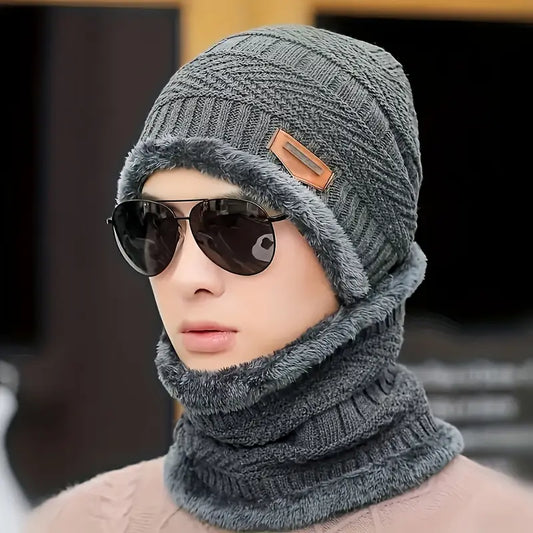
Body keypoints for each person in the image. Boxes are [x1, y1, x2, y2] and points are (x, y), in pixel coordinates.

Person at [23, 23, 533, 533]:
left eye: (236, 227)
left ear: (355, 254)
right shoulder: (78, 522)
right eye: (152, 226)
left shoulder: (499, 522)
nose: (186, 277)